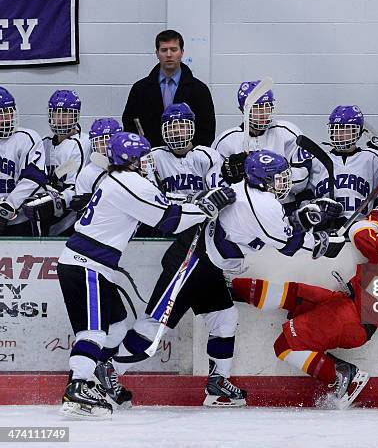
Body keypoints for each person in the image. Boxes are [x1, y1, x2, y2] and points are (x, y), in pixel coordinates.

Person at [109, 150, 345, 408]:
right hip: (190, 262)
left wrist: (310, 214)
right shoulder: (263, 204)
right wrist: (319, 233)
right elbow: (287, 244)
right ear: (263, 179)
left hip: (207, 264)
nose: (283, 183)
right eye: (278, 178)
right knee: (153, 328)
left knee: (224, 318)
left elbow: (281, 225)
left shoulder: (250, 191)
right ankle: (106, 375)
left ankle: (217, 384)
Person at [57, 131, 234, 418]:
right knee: (93, 332)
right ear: (131, 160)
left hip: (92, 265)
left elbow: (164, 206)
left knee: (116, 327)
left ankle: (94, 379)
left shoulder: (115, 179)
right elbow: (169, 220)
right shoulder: (129, 182)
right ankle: (77, 388)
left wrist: (198, 204)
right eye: (141, 156)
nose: (146, 161)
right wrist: (206, 207)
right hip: (85, 265)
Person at [231, 205, 378, 409]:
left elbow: (358, 231)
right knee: (294, 295)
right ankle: (233, 289)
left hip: (348, 317)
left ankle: (342, 376)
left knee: (285, 346)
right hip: (350, 312)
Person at [293, 105, 378, 229]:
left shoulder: (375, 159)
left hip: (361, 230)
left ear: (357, 132)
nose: (340, 134)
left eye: (346, 129)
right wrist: (317, 206)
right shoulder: (316, 160)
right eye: (336, 130)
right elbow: (303, 198)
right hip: (324, 230)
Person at [122, 29, 216, 147]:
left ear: (182, 52)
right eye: (164, 50)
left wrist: (190, 149)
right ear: (157, 53)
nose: (169, 55)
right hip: (151, 155)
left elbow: (207, 128)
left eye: (174, 49)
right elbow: (129, 124)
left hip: (188, 157)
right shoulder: (140, 89)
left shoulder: (199, 90)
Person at [212, 80, 306, 190]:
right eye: (257, 108)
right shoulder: (226, 141)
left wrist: (275, 175)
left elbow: (304, 174)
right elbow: (213, 182)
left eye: (267, 106)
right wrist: (230, 178)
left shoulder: (287, 132)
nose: (264, 113)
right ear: (242, 110)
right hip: (245, 205)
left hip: (285, 204)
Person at [26, 90, 89, 236]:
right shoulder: (44, 142)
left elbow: (75, 189)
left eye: (66, 113)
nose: (60, 119)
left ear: (76, 116)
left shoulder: (83, 143)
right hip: (50, 206)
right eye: (56, 113)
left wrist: (55, 199)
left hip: (73, 212)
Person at [0, 86, 47, 236]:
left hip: (19, 220)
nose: (4, 119)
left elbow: (34, 178)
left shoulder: (27, 138)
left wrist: (8, 207)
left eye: (7, 112)